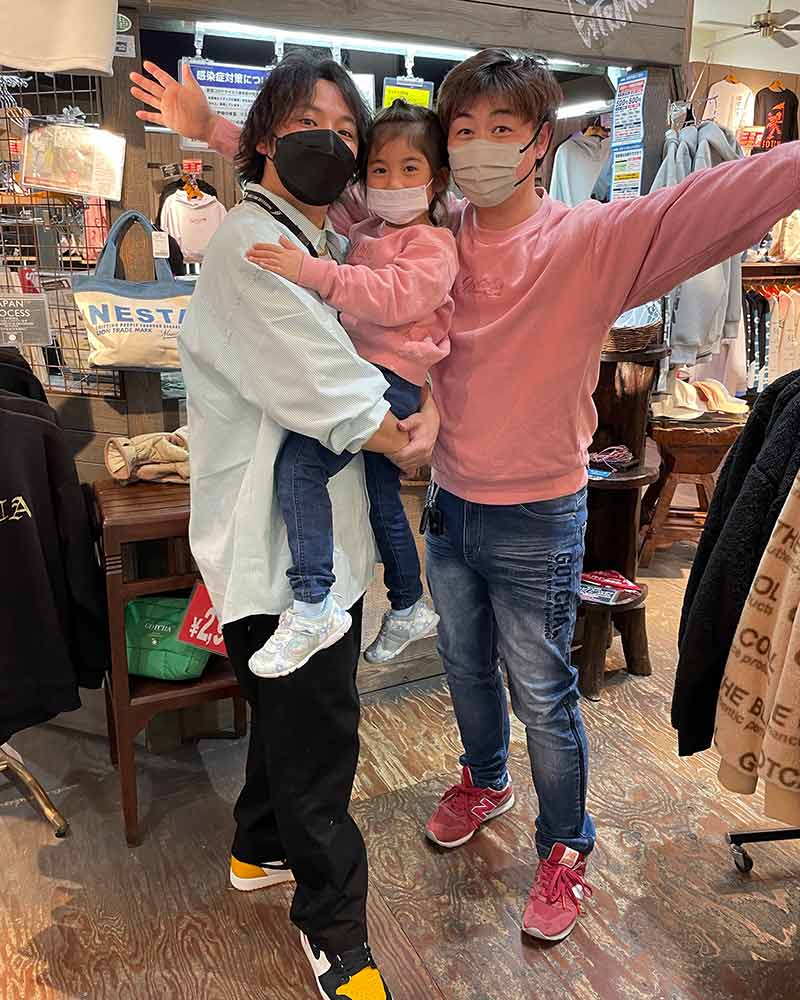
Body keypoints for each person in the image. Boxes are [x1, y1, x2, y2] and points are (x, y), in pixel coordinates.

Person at [132, 48, 800, 947]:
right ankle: (485, 780)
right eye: (465, 129)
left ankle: (566, 845)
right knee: (463, 668)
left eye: (503, 129)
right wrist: (212, 131)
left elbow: (707, 205)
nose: (481, 145)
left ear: (539, 142)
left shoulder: (591, 241)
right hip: (448, 504)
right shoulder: (431, 224)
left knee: (544, 692)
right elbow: (326, 181)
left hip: (539, 514)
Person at [133, 52, 445, 1000]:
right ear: (269, 136)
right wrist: (415, 431)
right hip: (277, 553)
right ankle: (336, 933)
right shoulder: (251, 245)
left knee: (289, 719)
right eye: (314, 124)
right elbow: (335, 392)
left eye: (349, 133)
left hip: (311, 545)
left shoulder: (317, 237)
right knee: (321, 743)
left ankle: (256, 849)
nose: (335, 146)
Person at [246, 99, 455, 678]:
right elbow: (299, 181)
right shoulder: (366, 228)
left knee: (300, 468)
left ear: (436, 179)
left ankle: (313, 602)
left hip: (391, 380)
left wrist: (311, 272)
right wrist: (209, 131)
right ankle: (408, 606)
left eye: (410, 169)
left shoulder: (434, 244)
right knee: (382, 498)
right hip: (371, 374)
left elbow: (393, 298)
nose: (393, 182)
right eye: (379, 170)